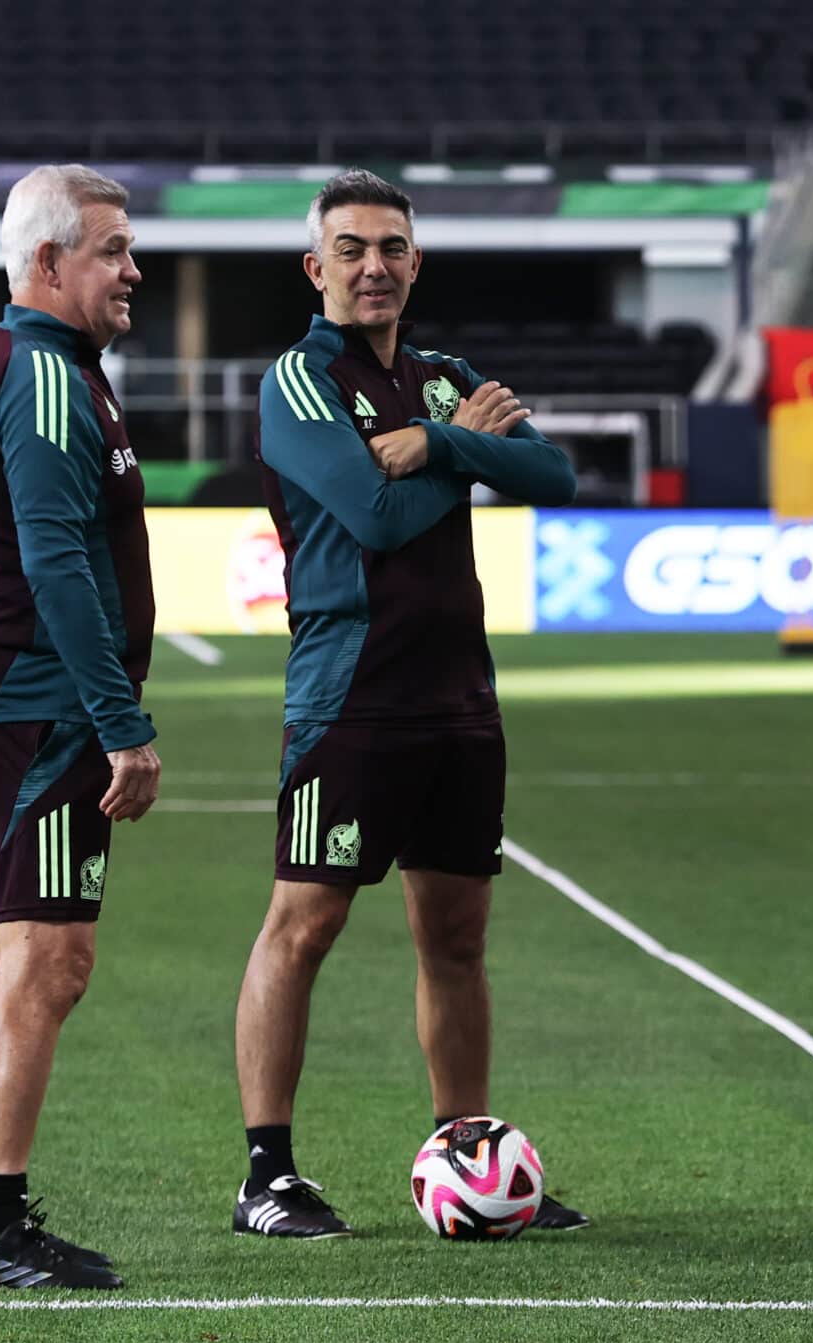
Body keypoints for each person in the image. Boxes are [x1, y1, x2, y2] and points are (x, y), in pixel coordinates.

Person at [230, 169, 582, 1239]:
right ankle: (268, 1176)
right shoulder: (298, 381)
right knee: (303, 924)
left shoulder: (441, 380)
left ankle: (465, 1147)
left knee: (457, 939)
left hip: (459, 703)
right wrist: (476, 453)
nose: (373, 266)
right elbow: (375, 521)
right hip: (352, 699)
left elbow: (555, 476)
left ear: (415, 263)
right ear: (315, 266)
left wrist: (442, 440)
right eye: (351, 249)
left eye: (391, 248)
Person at [0, 164, 158, 1289]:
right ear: (48, 264)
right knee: (46, 963)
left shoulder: (52, 366)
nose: (134, 269)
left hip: (23, 702)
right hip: (46, 710)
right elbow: (57, 564)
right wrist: (121, 725)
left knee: (18, 962)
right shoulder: (45, 375)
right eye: (113, 250)